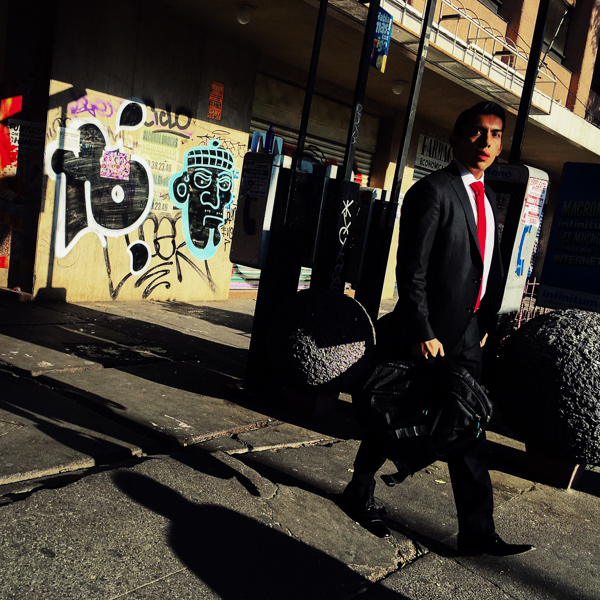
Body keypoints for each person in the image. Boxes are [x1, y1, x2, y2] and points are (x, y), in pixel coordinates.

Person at [344, 101, 535, 556]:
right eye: (476, 132)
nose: (485, 142)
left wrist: (484, 325)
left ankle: (476, 531)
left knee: (469, 427)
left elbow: (483, 268)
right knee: (395, 413)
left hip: (468, 334)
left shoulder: (485, 199)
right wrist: (420, 329)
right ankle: (360, 487)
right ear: (456, 137)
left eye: (493, 134)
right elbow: (411, 270)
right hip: (427, 335)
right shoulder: (433, 191)